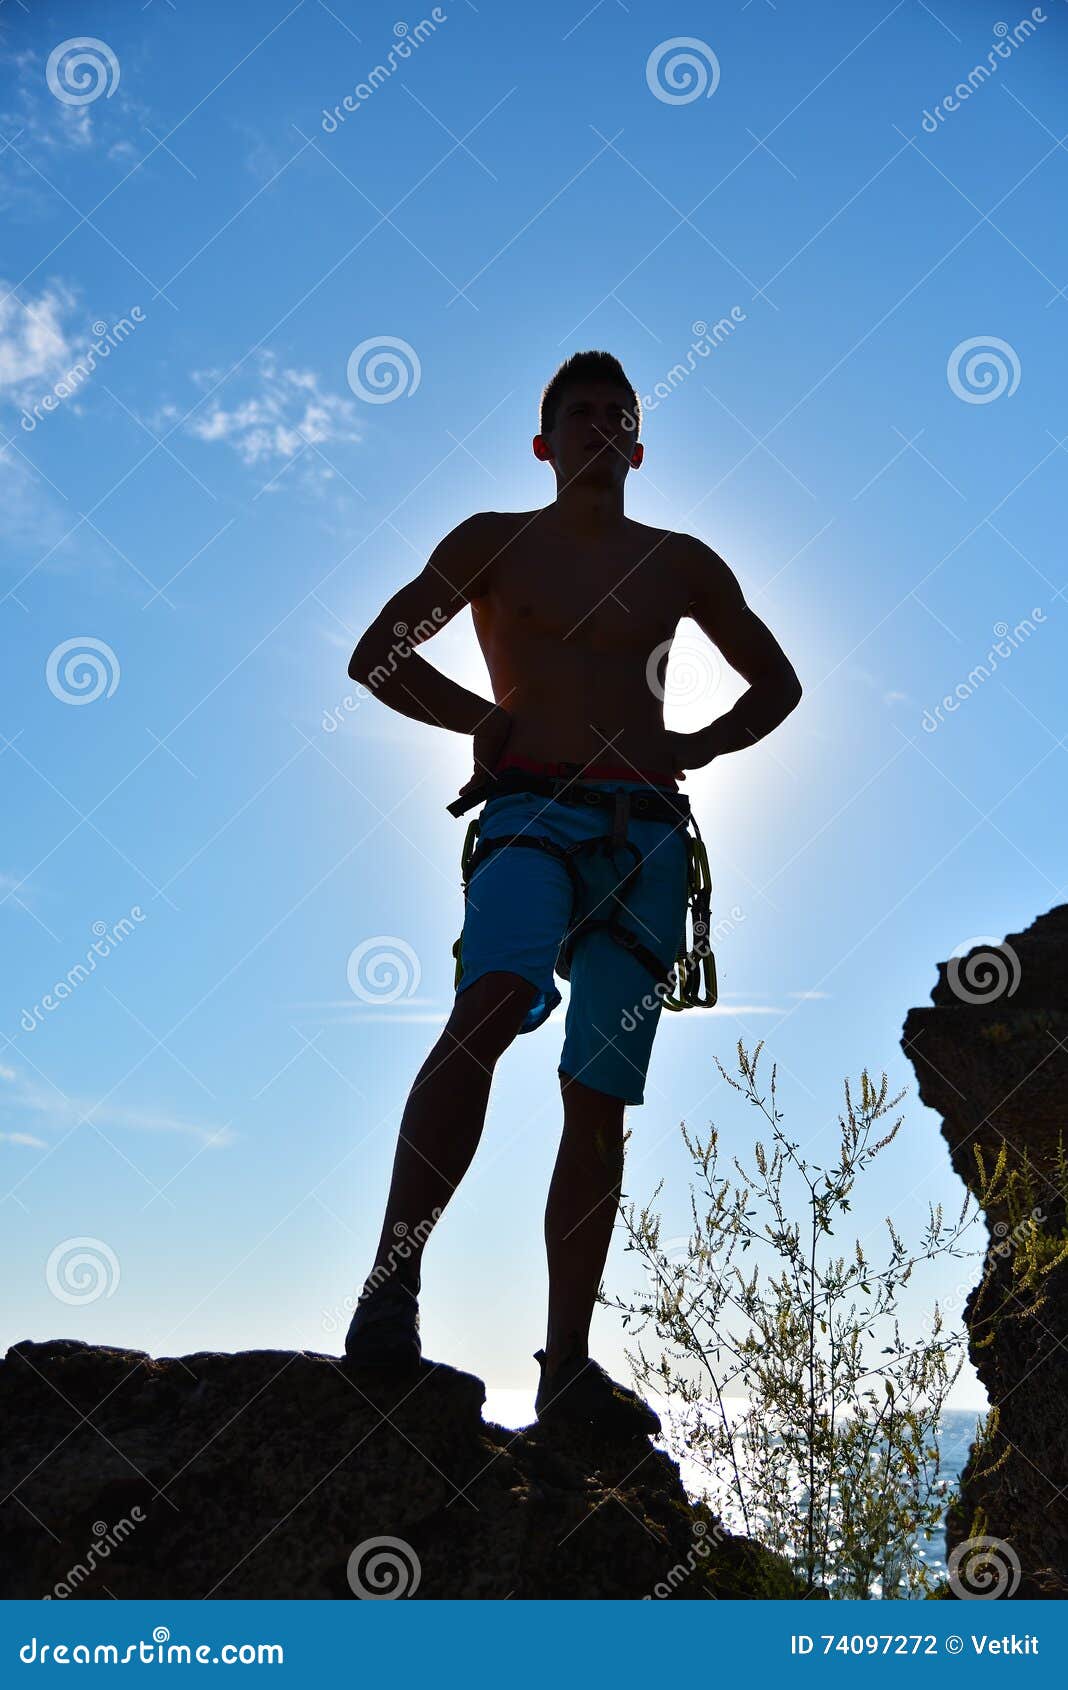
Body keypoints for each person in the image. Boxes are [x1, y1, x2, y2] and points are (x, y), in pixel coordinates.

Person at [342, 350, 802, 1435]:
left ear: (637, 446)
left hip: (642, 834)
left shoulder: (681, 562)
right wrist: (477, 720)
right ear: (544, 443)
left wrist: (697, 741)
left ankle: (566, 1365)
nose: (600, 426)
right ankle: (389, 1289)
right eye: (579, 414)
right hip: (529, 814)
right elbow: (378, 654)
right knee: (488, 1004)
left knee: (598, 1093)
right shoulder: (494, 540)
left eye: (617, 415)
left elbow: (777, 683)